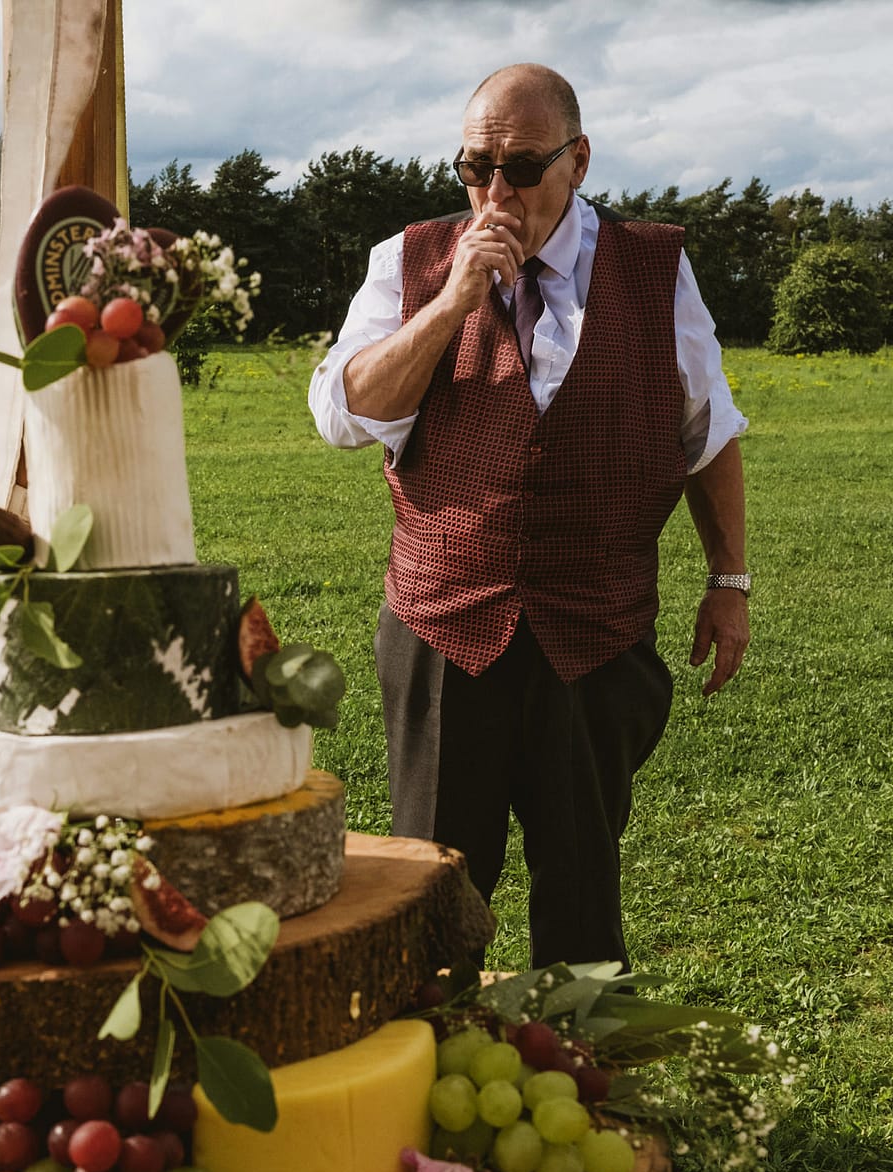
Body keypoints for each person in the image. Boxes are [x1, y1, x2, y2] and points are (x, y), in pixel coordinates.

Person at [308, 63, 750, 970]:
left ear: (578, 159)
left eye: (520, 166)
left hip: (596, 624)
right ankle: (424, 1069)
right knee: (430, 881)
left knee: (583, 879)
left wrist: (728, 581)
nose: (494, 193)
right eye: (474, 169)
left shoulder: (655, 267)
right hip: (444, 622)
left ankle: (581, 1079)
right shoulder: (410, 261)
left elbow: (705, 433)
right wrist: (450, 303)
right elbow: (344, 414)